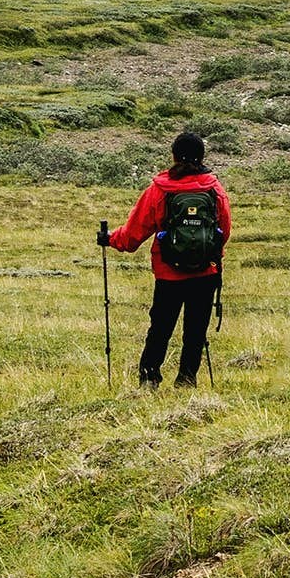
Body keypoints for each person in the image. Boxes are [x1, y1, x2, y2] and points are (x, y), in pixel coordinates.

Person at [100, 129, 233, 389]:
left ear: (173, 156)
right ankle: (186, 379)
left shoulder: (159, 189)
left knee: (160, 326)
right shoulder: (215, 189)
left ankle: (149, 378)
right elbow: (224, 232)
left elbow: (132, 235)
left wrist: (110, 239)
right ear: (202, 156)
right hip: (206, 273)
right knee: (195, 329)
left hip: (168, 273)